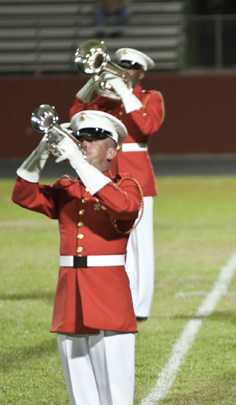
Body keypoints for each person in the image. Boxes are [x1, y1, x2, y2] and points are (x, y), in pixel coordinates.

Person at [12, 110, 142, 405]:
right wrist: (41, 150)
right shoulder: (68, 186)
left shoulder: (127, 185)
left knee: (115, 396)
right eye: (80, 137)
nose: (83, 142)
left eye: (93, 137)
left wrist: (77, 162)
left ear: (112, 148)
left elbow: (123, 209)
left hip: (109, 298)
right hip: (72, 298)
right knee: (82, 397)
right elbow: (22, 192)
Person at [70, 47, 163, 320]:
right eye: (120, 65)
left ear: (141, 72)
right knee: (116, 240)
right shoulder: (104, 99)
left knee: (141, 244)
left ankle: (141, 305)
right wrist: (94, 78)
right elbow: (77, 111)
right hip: (108, 175)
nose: (124, 70)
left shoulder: (150, 97)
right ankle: (125, 297)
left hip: (138, 176)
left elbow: (148, 126)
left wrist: (125, 91)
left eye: (131, 67)